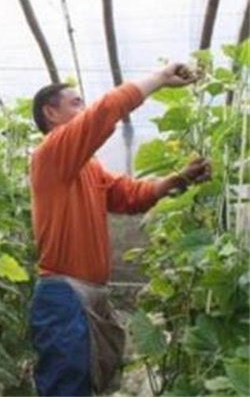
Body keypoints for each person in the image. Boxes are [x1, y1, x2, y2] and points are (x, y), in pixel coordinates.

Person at [28, 63, 211, 396]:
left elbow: (130, 196)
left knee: (86, 384)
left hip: (85, 294)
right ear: (50, 113)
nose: (84, 109)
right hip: (64, 295)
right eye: (75, 103)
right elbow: (105, 111)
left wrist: (177, 179)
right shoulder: (50, 153)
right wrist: (158, 78)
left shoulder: (88, 167)